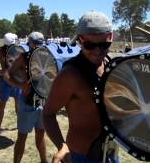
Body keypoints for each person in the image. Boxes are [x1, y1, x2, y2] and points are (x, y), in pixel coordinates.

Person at [42, 11, 120, 163]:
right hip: (81, 157)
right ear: (80, 40)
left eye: (104, 45)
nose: (97, 51)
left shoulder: (112, 66)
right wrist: (62, 146)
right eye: (90, 45)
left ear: (110, 38)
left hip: (111, 155)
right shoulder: (70, 75)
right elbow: (48, 113)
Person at [5, 31, 47, 163]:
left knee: (40, 135)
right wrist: (21, 85)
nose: (36, 47)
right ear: (30, 44)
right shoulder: (24, 57)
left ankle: (44, 161)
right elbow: (7, 74)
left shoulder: (47, 57)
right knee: (22, 136)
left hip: (42, 101)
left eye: (39, 45)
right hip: (27, 103)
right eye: (34, 44)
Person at [0, 33, 20, 135]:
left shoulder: (18, 50)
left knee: (18, 104)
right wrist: (1, 72)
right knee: (2, 104)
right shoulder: (0, 52)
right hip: (5, 82)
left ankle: (19, 125)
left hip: (17, 80)